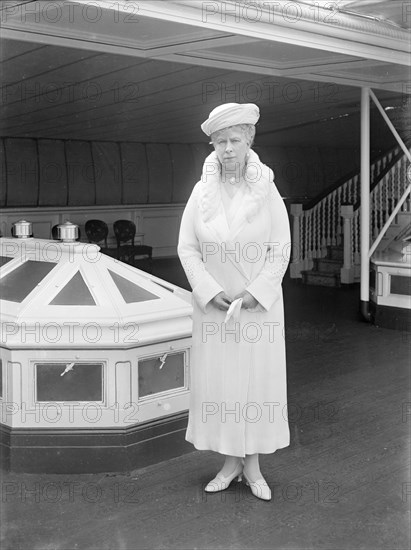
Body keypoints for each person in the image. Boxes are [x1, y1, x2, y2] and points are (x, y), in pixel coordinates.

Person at [177, 103, 290, 501]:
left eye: (235, 140)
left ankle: (254, 467)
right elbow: (187, 248)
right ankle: (229, 463)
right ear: (212, 144)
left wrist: (257, 291)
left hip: (258, 309)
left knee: (257, 387)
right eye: (220, 141)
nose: (227, 149)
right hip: (215, 311)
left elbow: (280, 248)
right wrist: (209, 291)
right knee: (221, 388)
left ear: (249, 142)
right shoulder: (201, 191)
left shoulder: (267, 188)